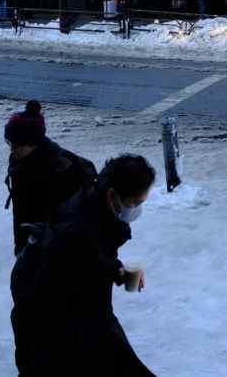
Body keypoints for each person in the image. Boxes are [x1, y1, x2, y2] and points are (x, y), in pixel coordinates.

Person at [11, 154, 156, 376]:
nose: (136, 209)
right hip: (48, 328)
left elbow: (94, 256)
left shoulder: (93, 205)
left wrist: (116, 270)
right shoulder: (79, 234)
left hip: (53, 314)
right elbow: (96, 321)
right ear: (113, 196)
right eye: (136, 203)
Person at [4, 100, 95, 256]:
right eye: (9, 143)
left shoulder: (63, 170)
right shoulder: (20, 163)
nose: (12, 150)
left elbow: (70, 222)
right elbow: (20, 211)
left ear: (34, 144)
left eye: (17, 145)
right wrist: (20, 248)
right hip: (30, 244)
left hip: (57, 253)